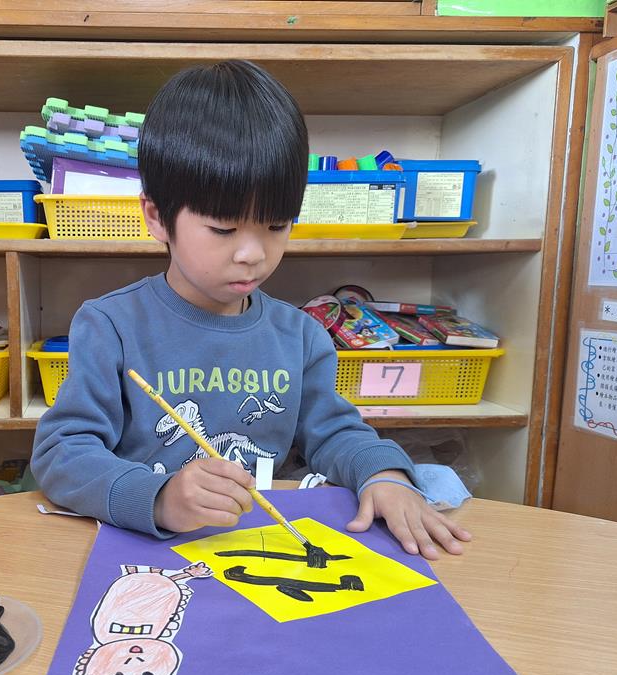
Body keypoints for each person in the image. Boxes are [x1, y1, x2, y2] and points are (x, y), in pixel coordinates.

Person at [31, 60, 470, 560]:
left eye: (277, 226)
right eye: (223, 229)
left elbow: (334, 433)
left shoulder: (299, 335)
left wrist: (385, 474)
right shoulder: (110, 325)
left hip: (257, 548)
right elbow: (63, 452)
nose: (252, 254)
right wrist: (157, 498)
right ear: (156, 217)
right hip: (143, 550)